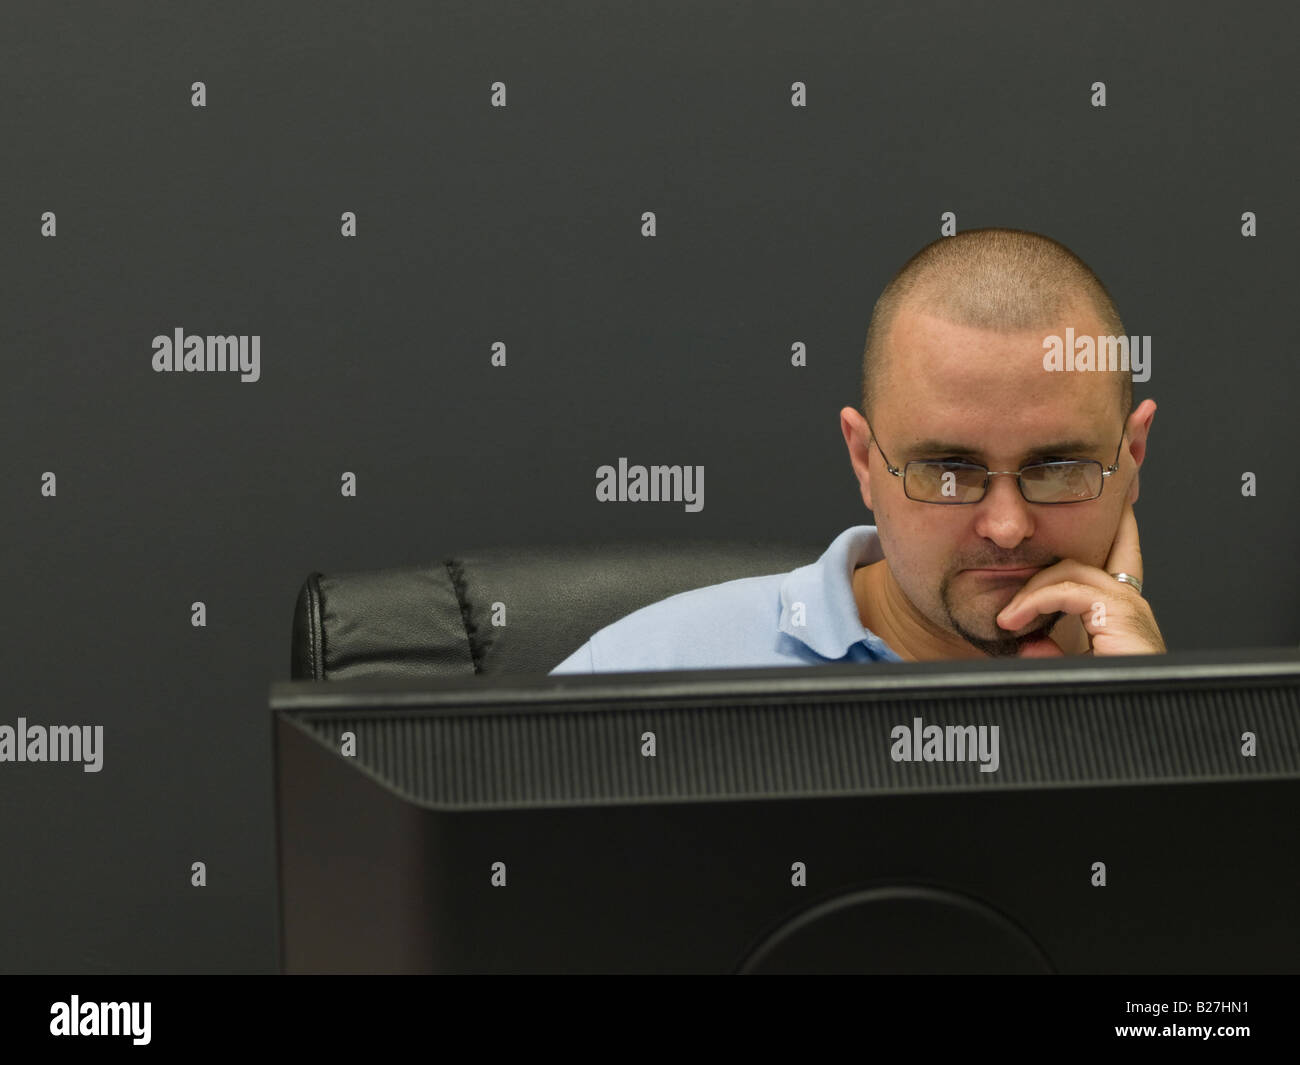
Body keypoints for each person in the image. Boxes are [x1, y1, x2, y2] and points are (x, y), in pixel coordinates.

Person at [550, 227, 1164, 674]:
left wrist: (1151, 724)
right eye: (947, 470)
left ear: (1131, 457)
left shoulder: (1186, 729)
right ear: (865, 462)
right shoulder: (639, 676)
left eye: (1057, 469)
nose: (1006, 527)